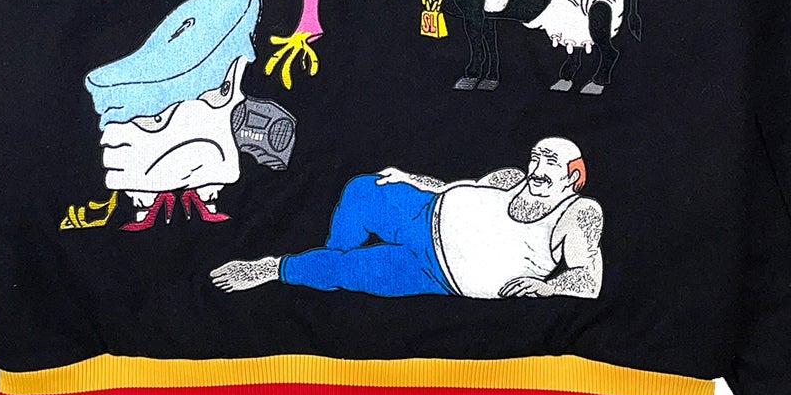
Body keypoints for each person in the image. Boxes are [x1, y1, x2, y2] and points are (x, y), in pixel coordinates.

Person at [210, 136, 602, 299]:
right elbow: (454, 188)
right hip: (423, 212)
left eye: (549, 162)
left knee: (348, 270)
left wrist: (548, 287)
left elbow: (588, 279)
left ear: (572, 176)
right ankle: (329, 260)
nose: (537, 168)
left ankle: (272, 269)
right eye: (536, 158)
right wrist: (411, 179)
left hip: (436, 272)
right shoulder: (511, 179)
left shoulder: (579, 213)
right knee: (362, 189)